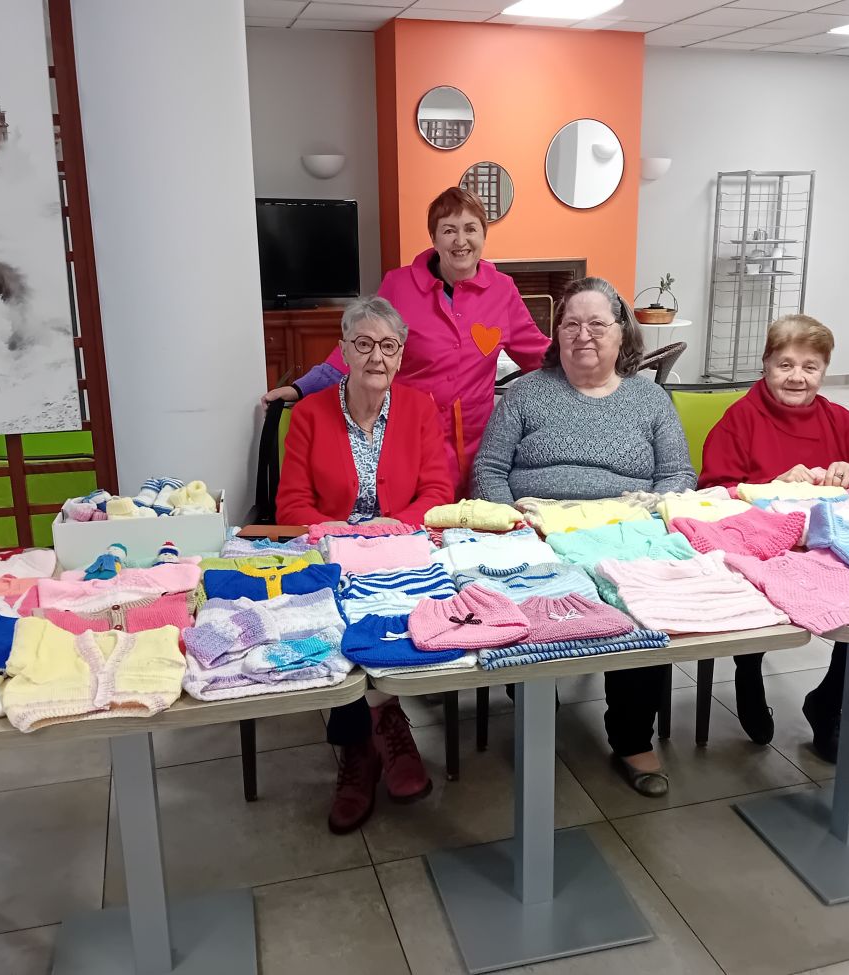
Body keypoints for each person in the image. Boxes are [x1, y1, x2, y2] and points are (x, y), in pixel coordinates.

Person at [474, 277, 695, 796]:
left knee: (640, 606)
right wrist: (514, 523)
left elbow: (678, 476)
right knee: (530, 602)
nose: (583, 335)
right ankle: (537, 704)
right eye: (571, 324)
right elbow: (488, 468)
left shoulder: (649, 398)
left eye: (598, 323)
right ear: (557, 334)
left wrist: (646, 516)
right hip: (540, 532)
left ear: (622, 333)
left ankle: (631, 735)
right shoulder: (525, 392)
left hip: (623, 530)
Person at [277, 295, 454, 834]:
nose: (377, 356)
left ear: (400, 356)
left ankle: (372, 733)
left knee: (405, 617)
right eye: (364, 344)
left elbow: (438, 490)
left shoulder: (420, 408)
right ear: (345, 350)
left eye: (389, 346)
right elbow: (290, 505)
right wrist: (340, 532)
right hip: (332, 550)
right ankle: (370, 741)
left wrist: (393, 526)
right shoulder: (308, 414)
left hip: (400, 547)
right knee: (335, 625)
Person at [698, 314, 849, 761]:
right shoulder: (740, 420)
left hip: (824, 545)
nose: (797, 377)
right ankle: (747, 667)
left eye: (810, 367)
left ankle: (828, 703)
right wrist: (772, 485)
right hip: (759, 545)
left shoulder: (836, 418)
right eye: (785, 365)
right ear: (766, 364)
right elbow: (711, 492)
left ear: (825, 370)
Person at [263, 187, 550, 495]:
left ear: (484, 234)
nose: (460, 241)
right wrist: (300, 387)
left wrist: (594, 370)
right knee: (416, 524)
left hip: (479, 446)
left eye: (470, 229)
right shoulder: (399, 285)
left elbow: (538, 354)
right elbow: (358, 347)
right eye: (449, 230)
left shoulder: (502, 290)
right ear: (434, 238)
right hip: (411, 438)